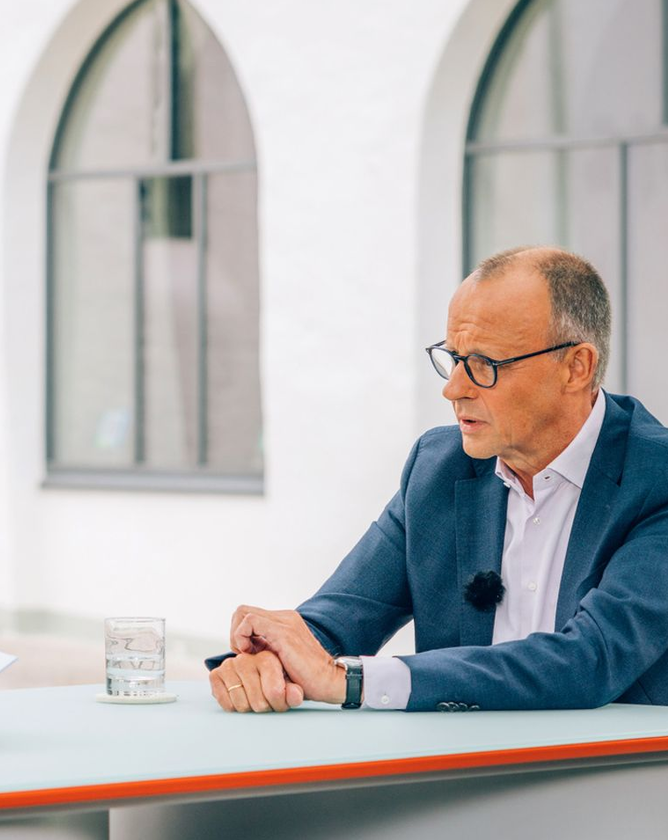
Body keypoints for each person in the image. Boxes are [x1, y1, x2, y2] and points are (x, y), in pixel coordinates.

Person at [210, 246, 668, 714]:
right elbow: (335, 620)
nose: (453, 388)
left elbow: (589, 662)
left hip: (621, 775)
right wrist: (267, 661)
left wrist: (349, 680)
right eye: (454, 359)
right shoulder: (437, 467)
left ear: (577, 368)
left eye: (485, 365)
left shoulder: (657, 478)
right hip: (455, 776)